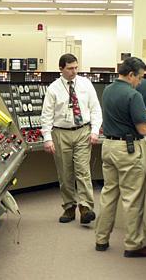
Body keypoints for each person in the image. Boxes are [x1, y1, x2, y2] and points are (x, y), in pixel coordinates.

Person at [94, 57, 146, 258]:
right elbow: (143, 127)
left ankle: (101, 238)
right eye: (139, 78)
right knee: (132, 198)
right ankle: (133, 245)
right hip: (127, 150)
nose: (140, 82)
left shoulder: (109, 90)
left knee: (108, 194)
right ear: (131, 75)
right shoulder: (133, 94)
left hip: (108, 147)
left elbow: (136, 112)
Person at [41, 53, 102, 225]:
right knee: (65, 173)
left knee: (83, 171)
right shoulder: (53, 88)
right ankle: (69, 207)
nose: (74, 71)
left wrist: (95, 130)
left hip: (83, 130)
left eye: (76, 67)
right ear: (61, 69)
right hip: (61, 133)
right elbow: (46, 115)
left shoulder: (86, 84)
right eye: (70, 68)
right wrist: (47, 137)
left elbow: (96, 109)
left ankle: (85, 208)